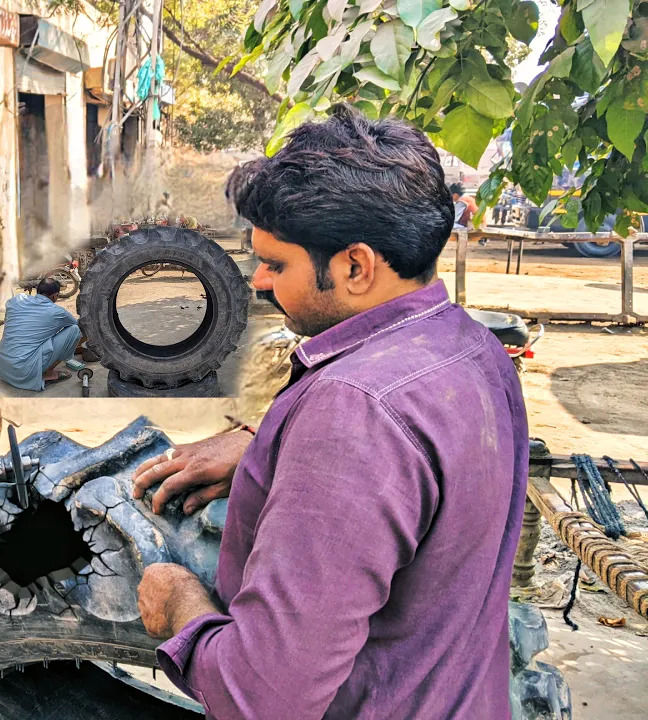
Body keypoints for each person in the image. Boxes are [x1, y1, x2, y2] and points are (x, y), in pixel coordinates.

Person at [134, 105, 528, 718]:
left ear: (355, 265)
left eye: (277, 264)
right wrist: (269, 445)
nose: (260, 282)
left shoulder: (354, 415)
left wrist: (182, 602)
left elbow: (260, 698)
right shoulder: (475, 350)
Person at [0, 277, 82, 391]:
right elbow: (77, 325)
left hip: (3, 367)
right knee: (74, 330)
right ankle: (48, 374)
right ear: (55, 296)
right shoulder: (57, 312)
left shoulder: (16, 300)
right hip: (23, 371)